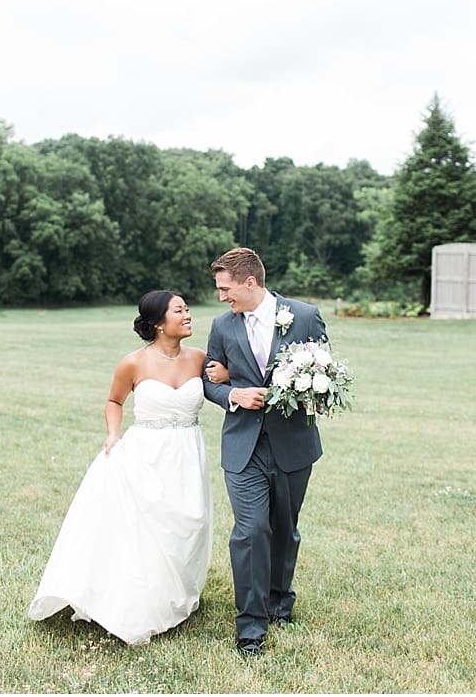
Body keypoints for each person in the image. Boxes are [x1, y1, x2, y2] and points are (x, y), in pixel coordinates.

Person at [29, 290, 219, 646]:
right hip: (146, 452)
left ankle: (177, 592)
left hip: (188, 453)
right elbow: (114, 400)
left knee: (189, 522)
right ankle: (143, 599)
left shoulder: (199, 358)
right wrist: (113, 434)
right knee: (148, 526)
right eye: (180, 310)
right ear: (159, 324)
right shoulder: (133, 362)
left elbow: (222, 386)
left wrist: (223, 375)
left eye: (187, 309)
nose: (188, 314)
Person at [202, 247, 327, 656]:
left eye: (226, 288)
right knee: (251, 530)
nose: (221, 296)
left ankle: (279, 602)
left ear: (249, 282)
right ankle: (250, 626)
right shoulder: (222, 326)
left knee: (284, 529)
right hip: (244, 447)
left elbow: (322, 374)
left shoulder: (305, 316)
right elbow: (209, 382)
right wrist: (233, 392)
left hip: (293, 445)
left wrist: (291, 391)